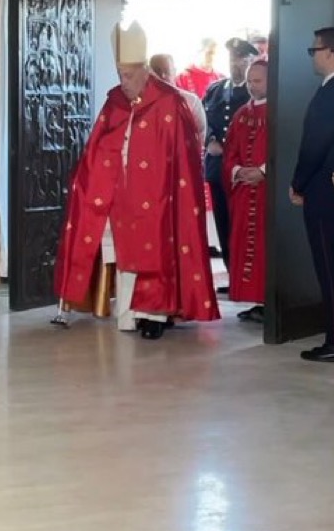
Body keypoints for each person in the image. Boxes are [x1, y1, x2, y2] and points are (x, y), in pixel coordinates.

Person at [53, 22, 219, 340]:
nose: (123, 82)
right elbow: (98, 148)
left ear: (146, 72)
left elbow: (183, 159)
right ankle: (129, 313)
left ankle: (153, 314)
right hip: (118, 194)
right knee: (123, 253)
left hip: (158, 195)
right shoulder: (115, 100)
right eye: (119, 75)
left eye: (128, 76)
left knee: (154, 251)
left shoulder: (170, 102)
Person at [289, 28, 334, 364]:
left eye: (313, 50)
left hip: (326, 193)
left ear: (329, 52)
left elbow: (315, 145)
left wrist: (298, 182)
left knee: (331, 267)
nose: (312, 56)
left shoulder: (333, 91)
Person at [202, 37, 258, 280]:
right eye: (233, 59)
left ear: (251, 61)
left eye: (242, 59)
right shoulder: (216, 89)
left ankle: (244, 277)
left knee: (244, 226)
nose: (236, 64)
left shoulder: (255, 90)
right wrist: (210, 140)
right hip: (218, 169)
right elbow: (202, 120)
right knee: (223, 223)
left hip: (243, 169)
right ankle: (231, 273)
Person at [222, 57, 268, 322]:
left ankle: (268, 300)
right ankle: (255, 300)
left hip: (265, 193)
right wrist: (238, 171)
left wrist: (262, 171)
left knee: (264, 247)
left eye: (258, 81)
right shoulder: (241, 114)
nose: (252, 86)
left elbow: (284, 149)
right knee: (243, 244)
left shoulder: (278, 112)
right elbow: (230, 152)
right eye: (249, 81)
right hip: (243, 191)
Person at [149, 53, 206, 144]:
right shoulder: (141, 103)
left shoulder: (191, 101)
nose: (162, 76)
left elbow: (201, 134)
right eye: (157, 71)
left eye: (166, 71)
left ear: (174, 72)